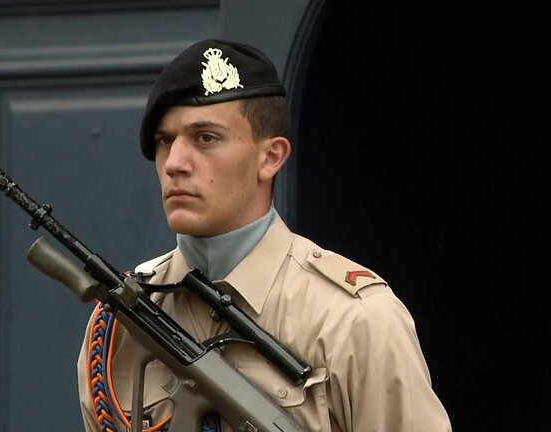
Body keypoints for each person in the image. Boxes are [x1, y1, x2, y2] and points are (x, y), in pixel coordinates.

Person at [76, 39, 451, 432]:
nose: (175, 163)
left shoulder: (353, 321)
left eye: (206, 138)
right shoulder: (124, 320)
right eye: (164, 141)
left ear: (270, 157)